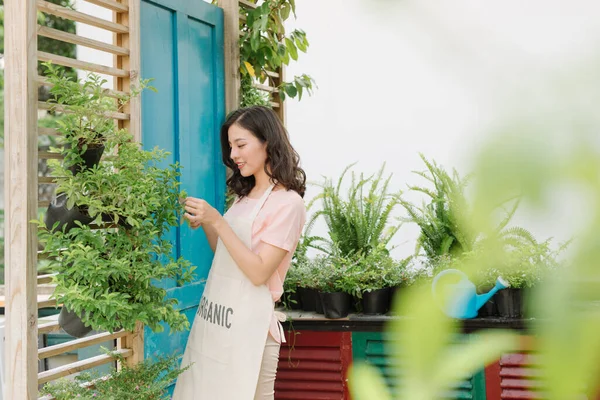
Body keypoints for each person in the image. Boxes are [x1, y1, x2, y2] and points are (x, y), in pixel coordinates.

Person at [172, 106, 307, 400]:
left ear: (267, 142)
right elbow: (225, 255)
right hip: (221, 321)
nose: (233, 154)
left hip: (252, 332)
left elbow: (259, 272)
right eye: (230, 146)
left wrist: (218, 221)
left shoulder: (288, 204)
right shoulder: (245, 196)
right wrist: (208, 223)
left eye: (241, 144)